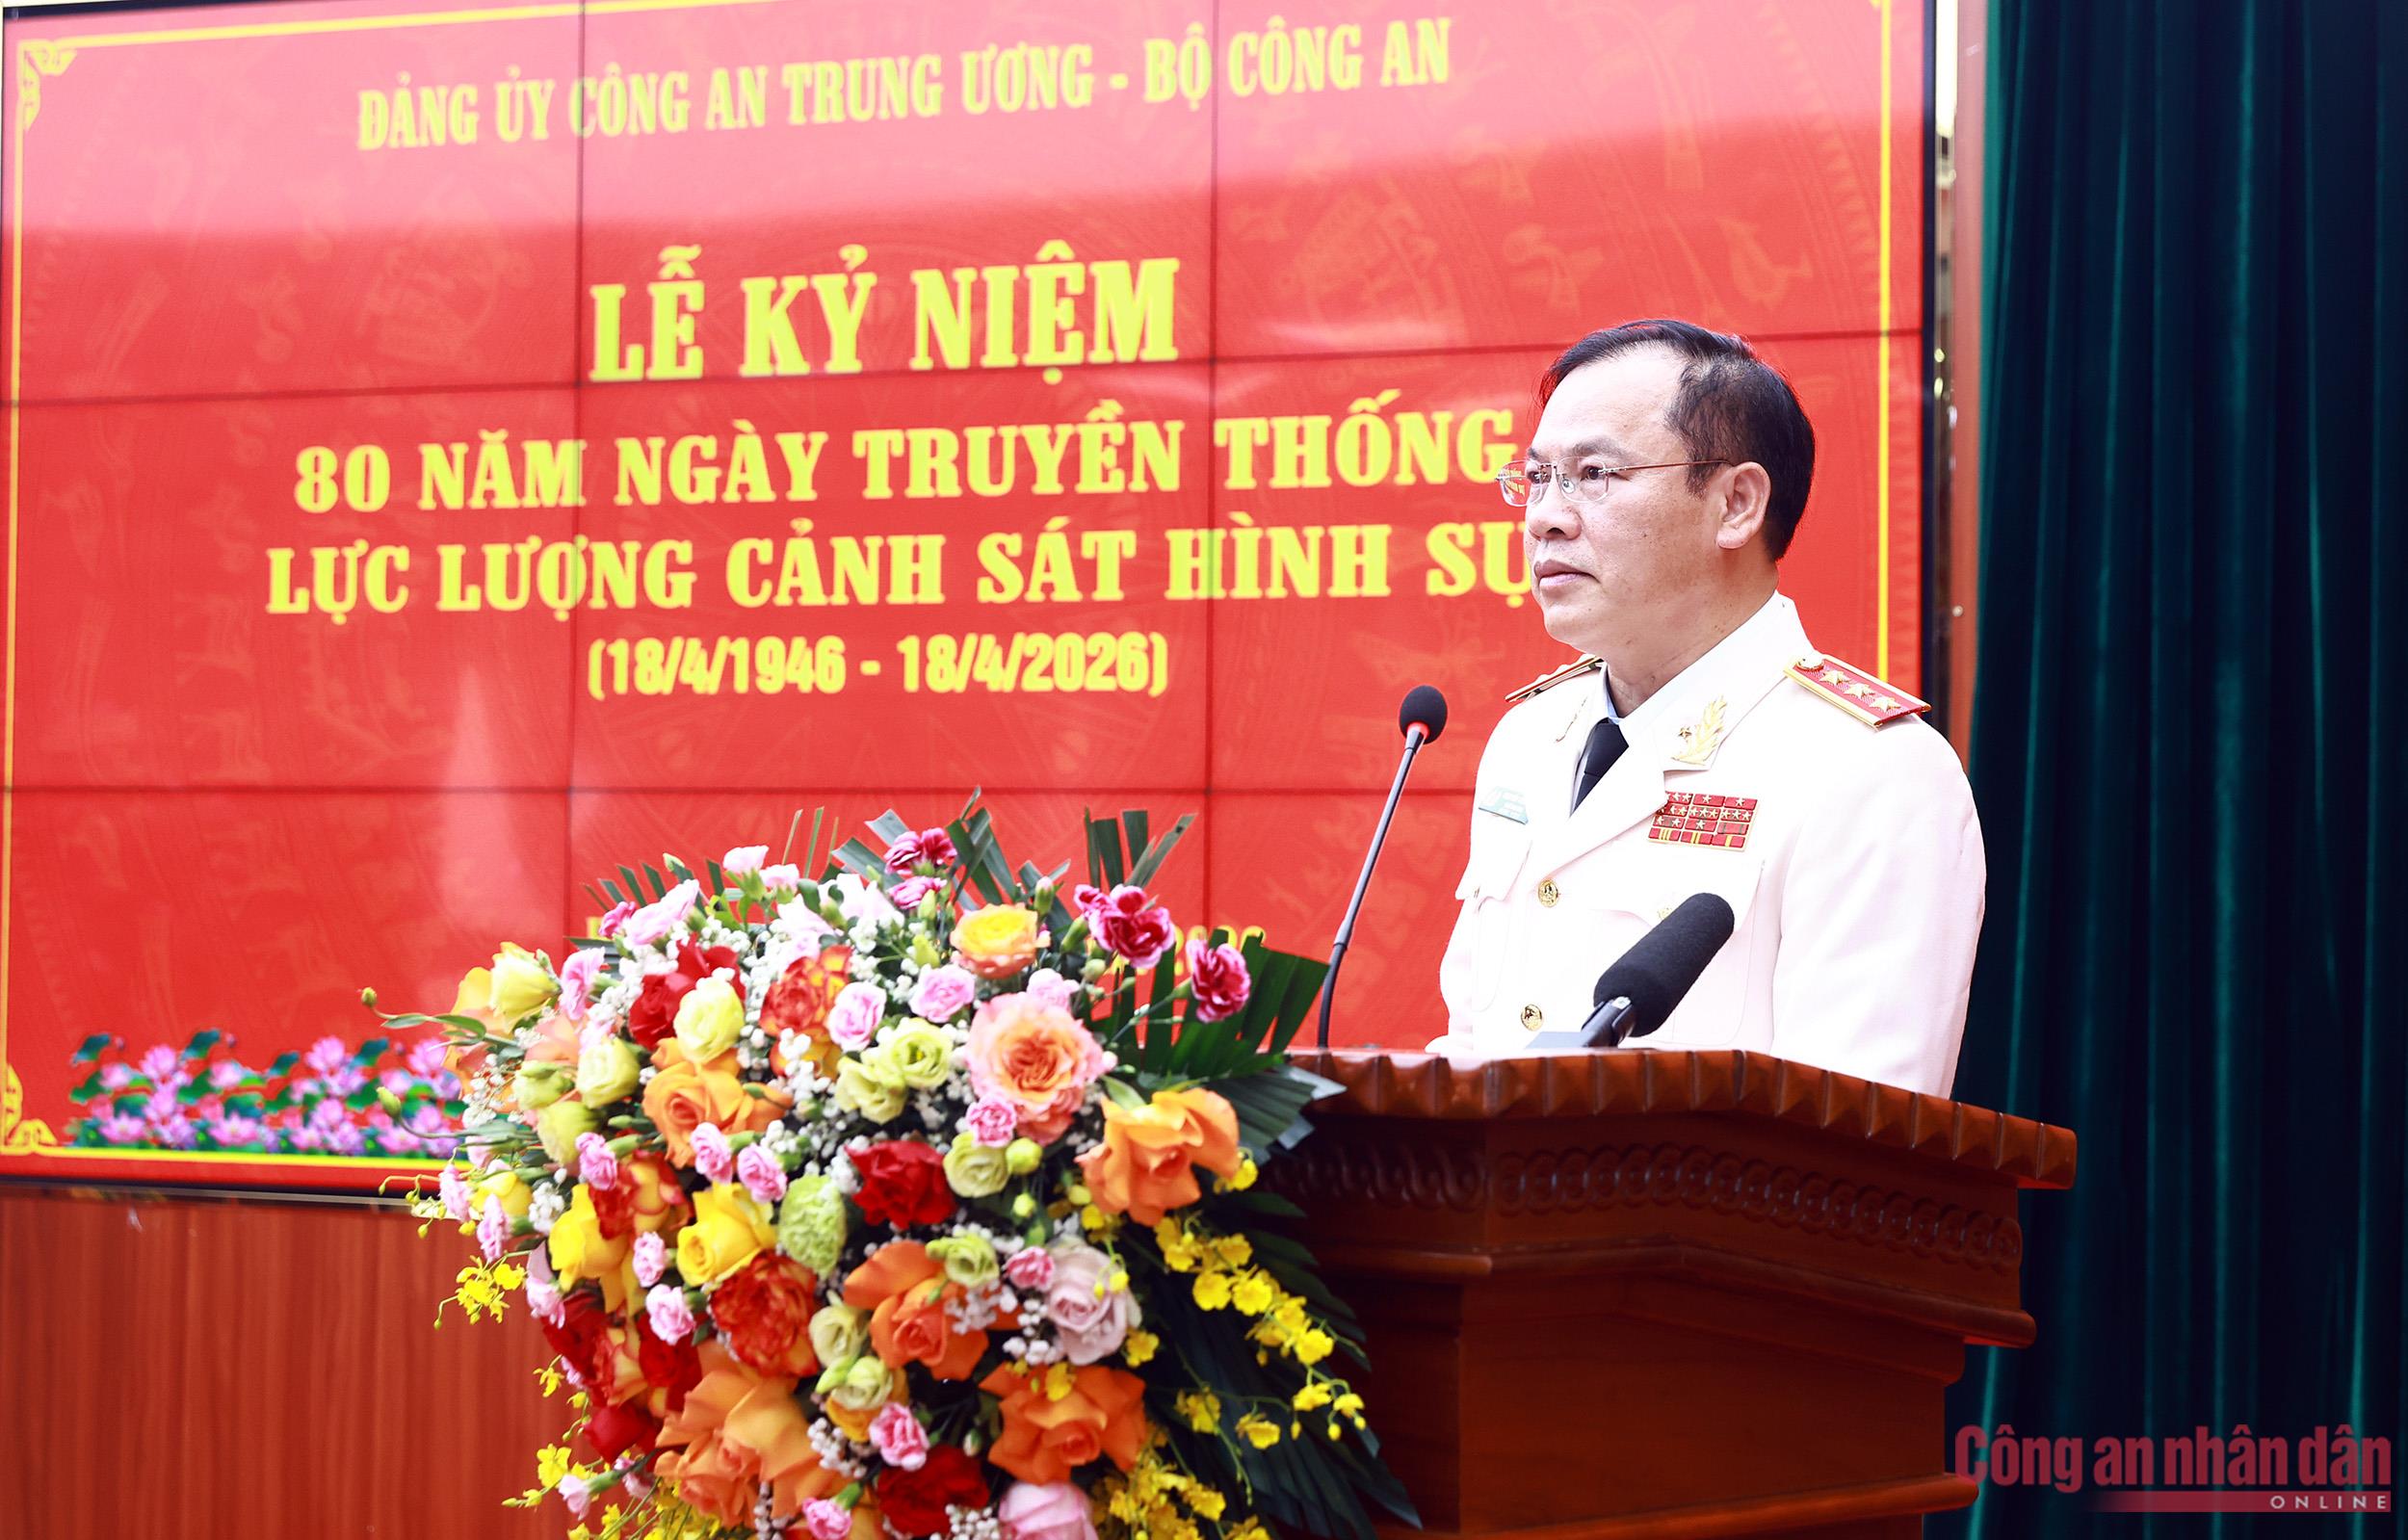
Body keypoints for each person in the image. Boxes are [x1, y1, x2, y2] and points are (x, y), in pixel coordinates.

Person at [1431, 319, 1982, 1096]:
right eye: (1538, 476)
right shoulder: (1529, 740)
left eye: (1594, 473)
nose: (1544, 516)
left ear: (1736, 504)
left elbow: (1853, 1136)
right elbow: (1469, 1050)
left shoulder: (1873, 771)